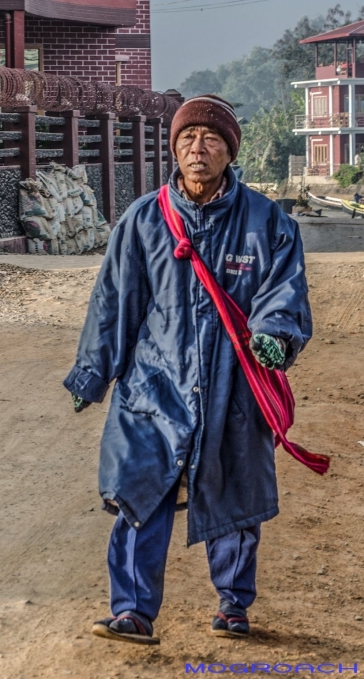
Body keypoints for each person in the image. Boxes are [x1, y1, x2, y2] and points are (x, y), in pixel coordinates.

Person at [64, 94, 312, 645]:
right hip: (152, 385)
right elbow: (114, 303)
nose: (197, 150)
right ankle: (131, 611)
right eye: (186, 140)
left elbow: (285, 291)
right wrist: (92, 374)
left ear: (229, 151)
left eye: (211, 140)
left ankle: (233, 604)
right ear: (173, 149)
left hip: (234, 384)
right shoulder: (144, 219)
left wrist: (274, 336)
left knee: (234, 491)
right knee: (137, 488)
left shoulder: (266, 221)